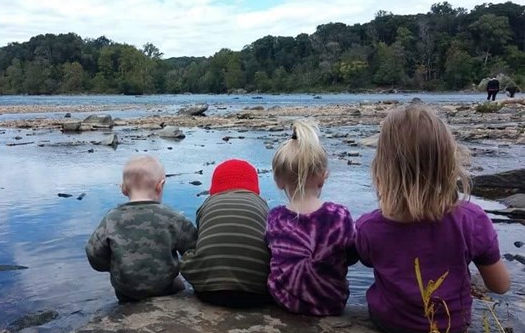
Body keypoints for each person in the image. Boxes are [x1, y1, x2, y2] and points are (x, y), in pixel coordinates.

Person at [356, 105, 511, 333]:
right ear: (449, 163)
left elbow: (366, 259)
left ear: (382, 169)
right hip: (451, 329)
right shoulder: (472, 220)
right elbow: (500, 285)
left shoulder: (369, 227)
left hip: (388, 322)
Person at [265, 121, 358, 316]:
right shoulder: (339, 216)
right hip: (331, 303)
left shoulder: (275, 218)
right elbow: (352, 256)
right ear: (323, 176)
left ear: (278, 182)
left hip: (284, 301)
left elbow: (272, 252)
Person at [86, 155, 198, 302]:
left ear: (123, 189)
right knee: (179, 286)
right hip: (164, 287)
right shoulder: (173, 217)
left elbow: (94, 254)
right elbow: (194, 249)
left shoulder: (111, 218)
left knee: (123, 295)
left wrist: (114, 266)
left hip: (126, 289)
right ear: (160, 185)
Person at [180, 159, 271, 308]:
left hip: (209, 292)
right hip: (258, 293)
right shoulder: (261, 205)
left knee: (192, 252)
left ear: (214, 188)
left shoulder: (208, 204)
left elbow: (201, 236)